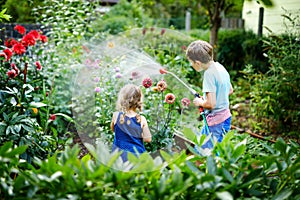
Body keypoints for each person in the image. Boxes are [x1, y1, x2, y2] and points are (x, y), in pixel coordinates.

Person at [186, 40, 233, 150]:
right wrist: (207, 98)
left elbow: (211, 104)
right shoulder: (220, 67)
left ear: (197, 63)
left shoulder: (208, 75)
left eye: (191, 63)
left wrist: (201, 102)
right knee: (217, 149)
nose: (191, 65)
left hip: (215, 122)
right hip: (225, 117)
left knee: (206, 152)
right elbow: (229, 90)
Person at [110, 83, 152, 162]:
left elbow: (113, 129)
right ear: (139, 101)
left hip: (119, 156)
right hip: (137, 156)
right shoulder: (142, 119)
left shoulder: (116, 116)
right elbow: (148, 139)